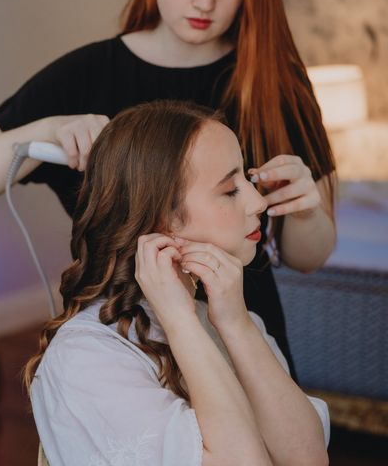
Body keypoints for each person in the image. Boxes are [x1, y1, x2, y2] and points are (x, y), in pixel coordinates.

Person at [0, 0, 337, 379]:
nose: (205, 1)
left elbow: (308, 258)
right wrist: (49, 128)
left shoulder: (271, 80)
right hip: (123, 341)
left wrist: (304, 212)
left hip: (244, 330)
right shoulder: (85, 74)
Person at [24, 100, 330, 466]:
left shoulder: (227, 320)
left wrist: (236, 323)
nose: (257, 202)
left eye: (246, 181)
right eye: (230, 190)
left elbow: (309, 459)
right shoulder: (87, 358)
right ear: (163, 221)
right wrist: (181, 322)